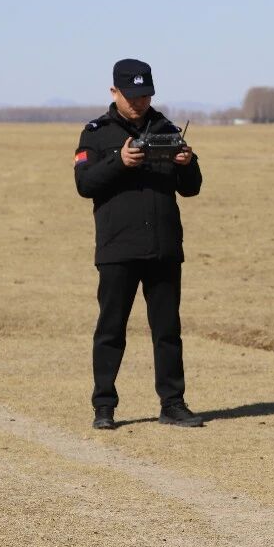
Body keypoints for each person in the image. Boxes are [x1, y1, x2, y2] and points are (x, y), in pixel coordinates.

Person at [73, 59, 204, 429]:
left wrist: (187, 163)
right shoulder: (96, 133)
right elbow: (84, 184)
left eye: (145, 95)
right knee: (111, 330)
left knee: (168, 331)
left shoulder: (168, 129)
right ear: (114, 92)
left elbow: (192, 188)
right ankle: (104, 407)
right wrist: (121, 160)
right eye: (132, 96)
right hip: (117, 248)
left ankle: (173, 404)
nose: (139, 102)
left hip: (164, 248)